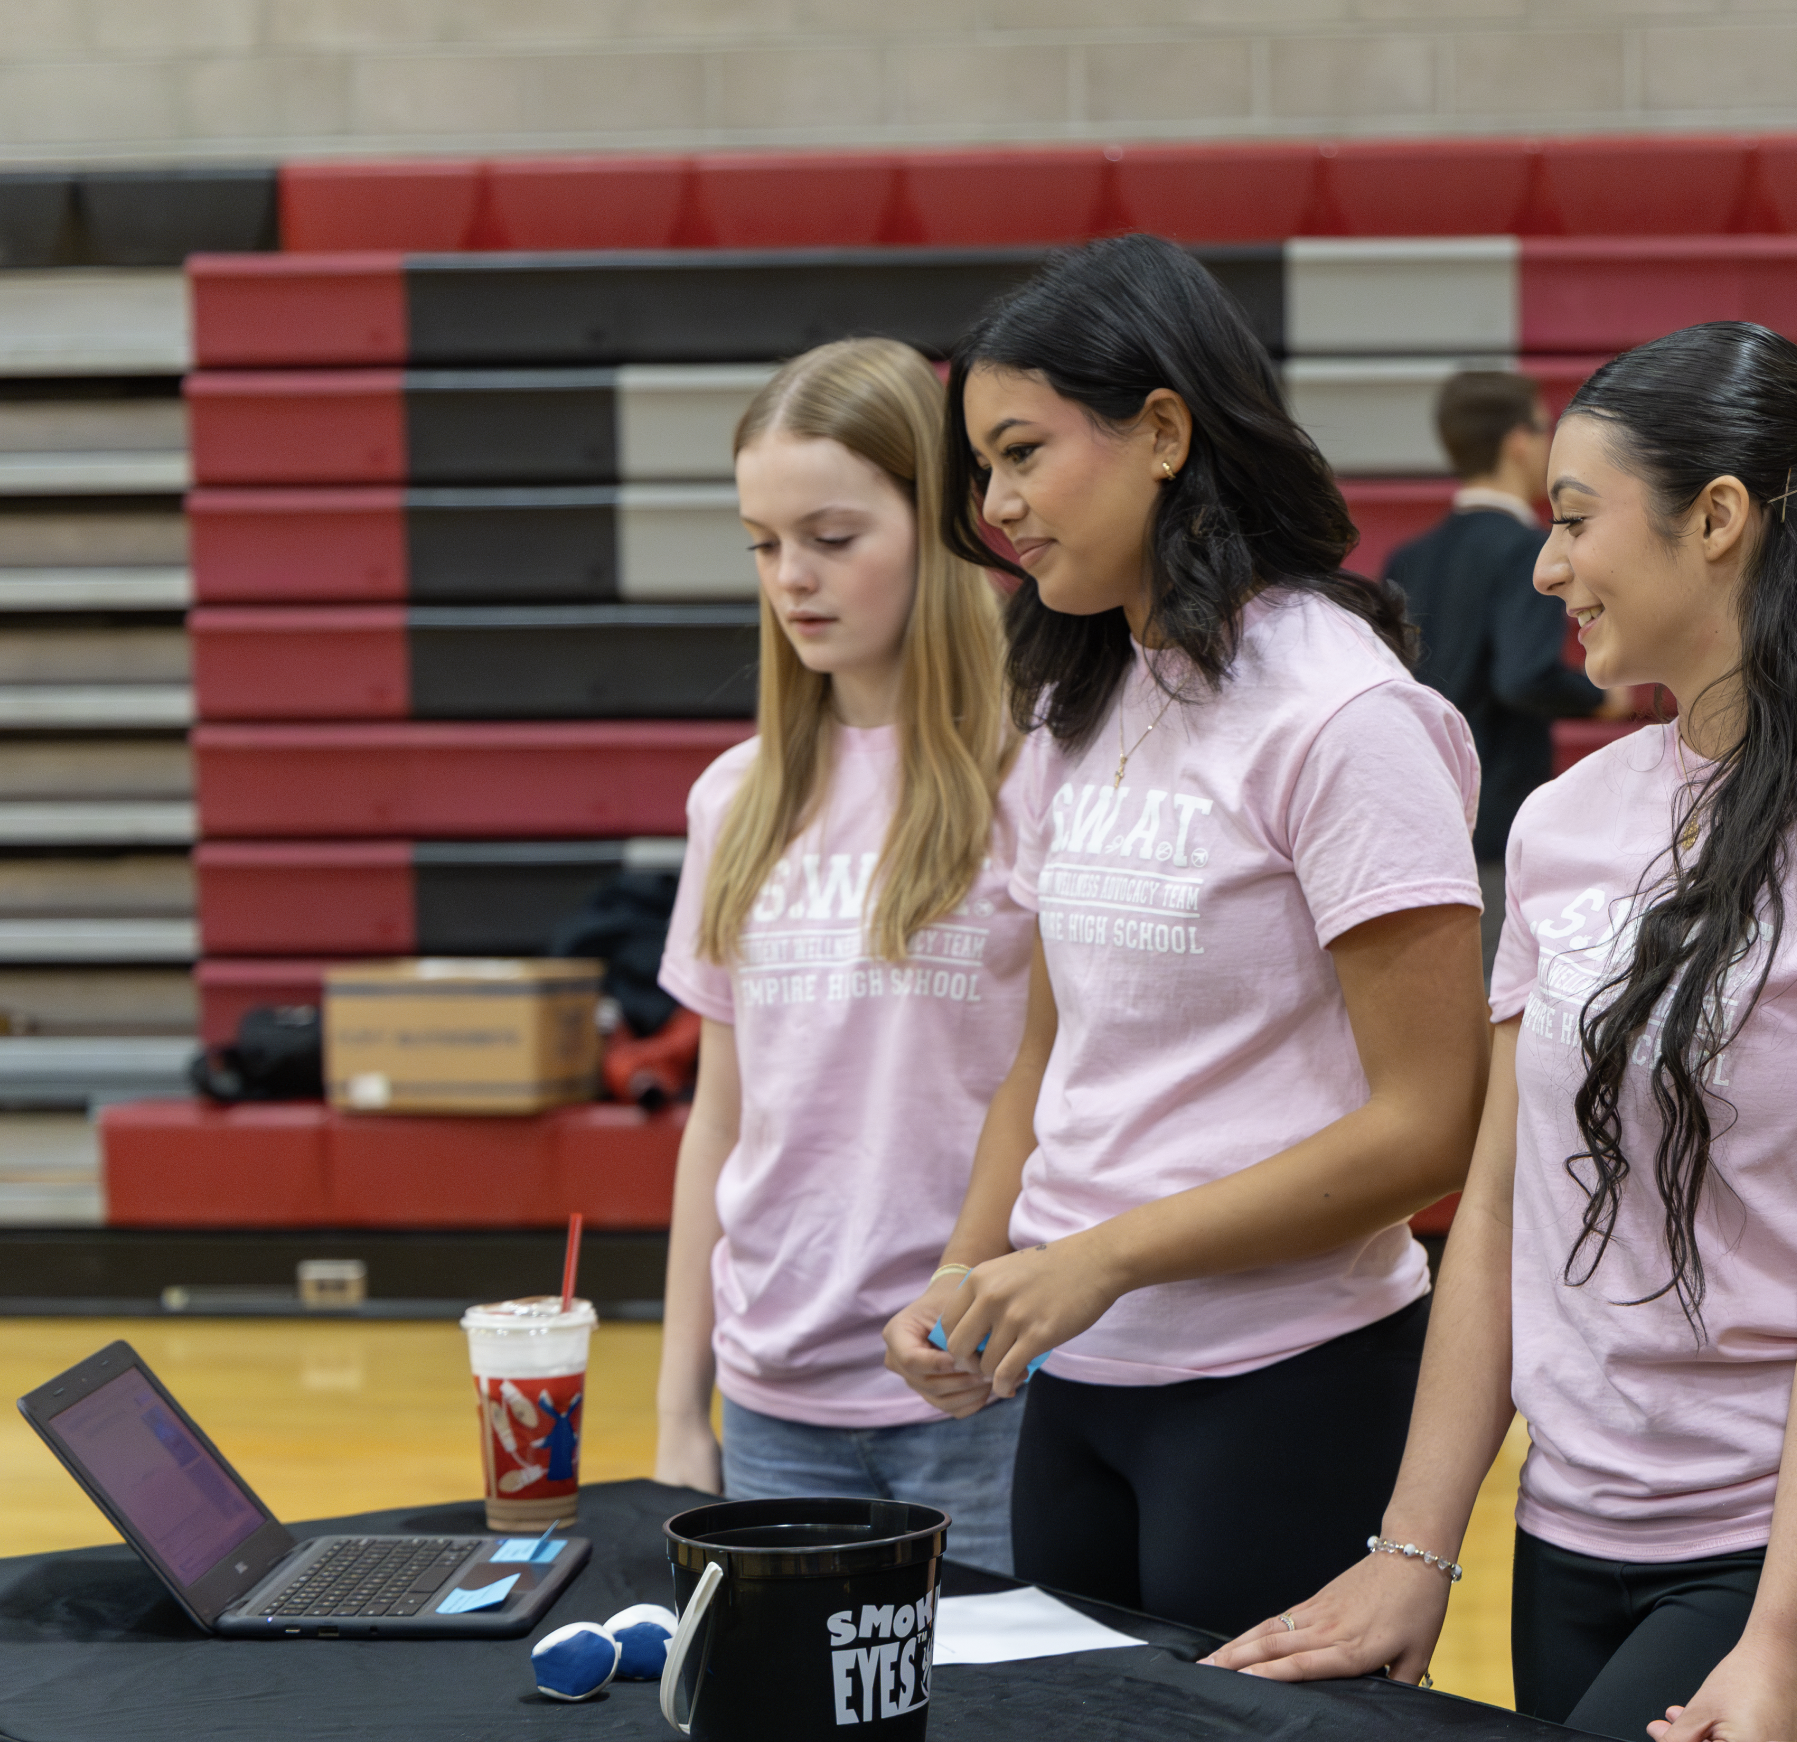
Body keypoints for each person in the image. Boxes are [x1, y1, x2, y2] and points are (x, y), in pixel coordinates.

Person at [1212, 321, 1797, 1742]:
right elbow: (1500, 1207)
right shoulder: (1563, 823)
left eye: (1576, 519)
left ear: (1717, 519)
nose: (1545, 566)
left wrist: (1783, 1643)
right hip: (1573, 1523)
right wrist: (1414, 1549)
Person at [878, 233, 1491, 1637]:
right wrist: (973, 1270)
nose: (998, 508)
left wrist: (1105, 1254)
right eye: (983, 468)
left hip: (1286, 1379)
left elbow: (1428, 1123)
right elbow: (1047, 1049)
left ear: (1163, 430)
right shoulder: (1079, 701)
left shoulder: (1340, 716)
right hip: (1082, 1379)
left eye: (1024, 453)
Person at [651, 337, 1034, 1572]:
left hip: (981, 1390)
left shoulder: (1040, 778)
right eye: (764, 544)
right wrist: (676, 1403)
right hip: (773, 1401)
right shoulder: (736, 796)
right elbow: (720, 1121)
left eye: (831, 536)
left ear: (942, 527)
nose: (791, 579)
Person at [1386, 371, 1608, 962]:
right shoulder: (1525, 550)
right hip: (1497, 826)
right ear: (1517, 440)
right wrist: (1601, 696)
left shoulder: (1408, 557)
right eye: (1544, 429)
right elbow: (1523, 675)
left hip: (1419, 828)